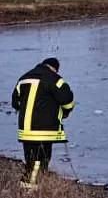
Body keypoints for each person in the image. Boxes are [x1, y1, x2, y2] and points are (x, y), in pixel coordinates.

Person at [11, 57, 75, 190]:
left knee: (31, 161)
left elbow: (15, 103)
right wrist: (63, 113)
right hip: (44, 130)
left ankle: (28, 188)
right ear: (54, 69)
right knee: (39, 161)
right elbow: (68, 101)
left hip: (25, 130)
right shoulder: (55, 79)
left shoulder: (24, 78)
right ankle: (30, 191)